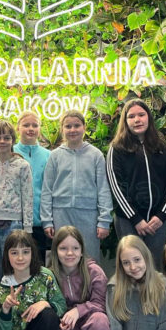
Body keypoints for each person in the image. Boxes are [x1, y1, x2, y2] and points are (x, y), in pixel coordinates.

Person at [107, 98, 166, 267]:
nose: (137, 120)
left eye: (141, 115)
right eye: (131, 116)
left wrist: (161, 216)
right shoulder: (117, 148)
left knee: (154, 267)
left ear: (149, 117)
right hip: (128, 220)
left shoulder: (162, 147)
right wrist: (135, 218)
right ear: (125, 121)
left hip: (157, 221)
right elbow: (116, 187)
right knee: (131, 266)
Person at [41, 110, 112, 264]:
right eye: (68, 126)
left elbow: (103, 189)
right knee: (62, 259)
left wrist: (104, 221)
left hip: (89, 216)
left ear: (84, 127)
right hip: (61, 214)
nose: (72, 130)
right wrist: (47, 221)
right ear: (62, 129)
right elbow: (47, 189)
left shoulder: (96, 155)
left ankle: (90, 281)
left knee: (89, 260)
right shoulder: (55, 156)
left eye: (77, 125)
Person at [0, 230, 66, 330]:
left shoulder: (45, 275)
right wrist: (6, 309)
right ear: (7, 256)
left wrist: (45, 304)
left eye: (25, 252)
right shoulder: (5, 284)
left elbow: (62, 307)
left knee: (48, 315)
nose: (20, 258)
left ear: (32, 253)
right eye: (14, 253)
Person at [0, 120, 33, 289]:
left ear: (13, 140)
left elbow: (28, 197)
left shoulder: (22, 166)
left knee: (13, 268)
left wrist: (28, 228)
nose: (2, 141)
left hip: (14, 224)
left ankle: (11, 303)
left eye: (6, 137)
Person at [106, 235, 166, 330]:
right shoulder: (114, 288)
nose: (133, 267)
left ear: (146, 257)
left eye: (137, 259)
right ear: (120, 265)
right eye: (126, 263)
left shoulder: (163, 287)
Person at [48, 226, 109, 330]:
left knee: (100, 321)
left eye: (75, 248)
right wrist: (64, 318)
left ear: (81, 251)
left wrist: (78, 311)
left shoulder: (94, 271)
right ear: (56, 252)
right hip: (65, 324)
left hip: (90, 318)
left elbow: (100, 304)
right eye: (63, 248)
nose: (70, 253)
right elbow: (51, 307)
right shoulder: (50, 275)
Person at [13, 111, 52, 261]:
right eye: (26, 125)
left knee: (39, 264)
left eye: (35, 125)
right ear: (18, 128)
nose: (31, 129)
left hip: (40, 221)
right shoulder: (10, 152)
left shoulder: (48, 155)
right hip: (15, 221)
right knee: (16, 262)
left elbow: (50, 188)